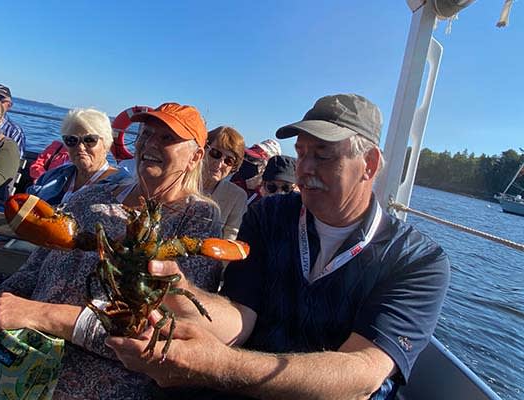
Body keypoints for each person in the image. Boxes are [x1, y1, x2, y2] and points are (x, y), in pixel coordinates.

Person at [105, 94, 451, 400]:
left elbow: (361, 375)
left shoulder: (418, 261)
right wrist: (177, 290)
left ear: (370, 165)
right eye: (300, 153)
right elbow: (242, 314)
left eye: (324, 155)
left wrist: (218, 364)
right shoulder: (268, 215)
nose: (305, 169)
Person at [0, 102, 224, 400]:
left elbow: (159, 331)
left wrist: (39, 314)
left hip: (91, 381)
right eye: (146, 133)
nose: (150, 143)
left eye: (167, 138)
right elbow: (25, 279)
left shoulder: (198, 219)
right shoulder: (93, 196)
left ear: (196, 155)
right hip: (11, 356)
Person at [0, 108, 119, 347]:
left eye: (89, 140)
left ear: (107, 142)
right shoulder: (54, 177)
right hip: (14, 259)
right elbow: (17, 218)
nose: (80, 147)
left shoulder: (118, 187)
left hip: (58, 276)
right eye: (71, 140)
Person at [203, 126, 247, 240]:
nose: (219, 164)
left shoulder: (237, 196)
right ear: (203, 150)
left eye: (229, 161)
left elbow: (230, 239)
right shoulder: (180, 179)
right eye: (215, 154)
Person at [231, 138, 281, 206]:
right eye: (246, 156)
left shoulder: (265, 199)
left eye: (253, 159)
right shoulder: (232, 178)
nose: (246, 160)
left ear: (265, 167)